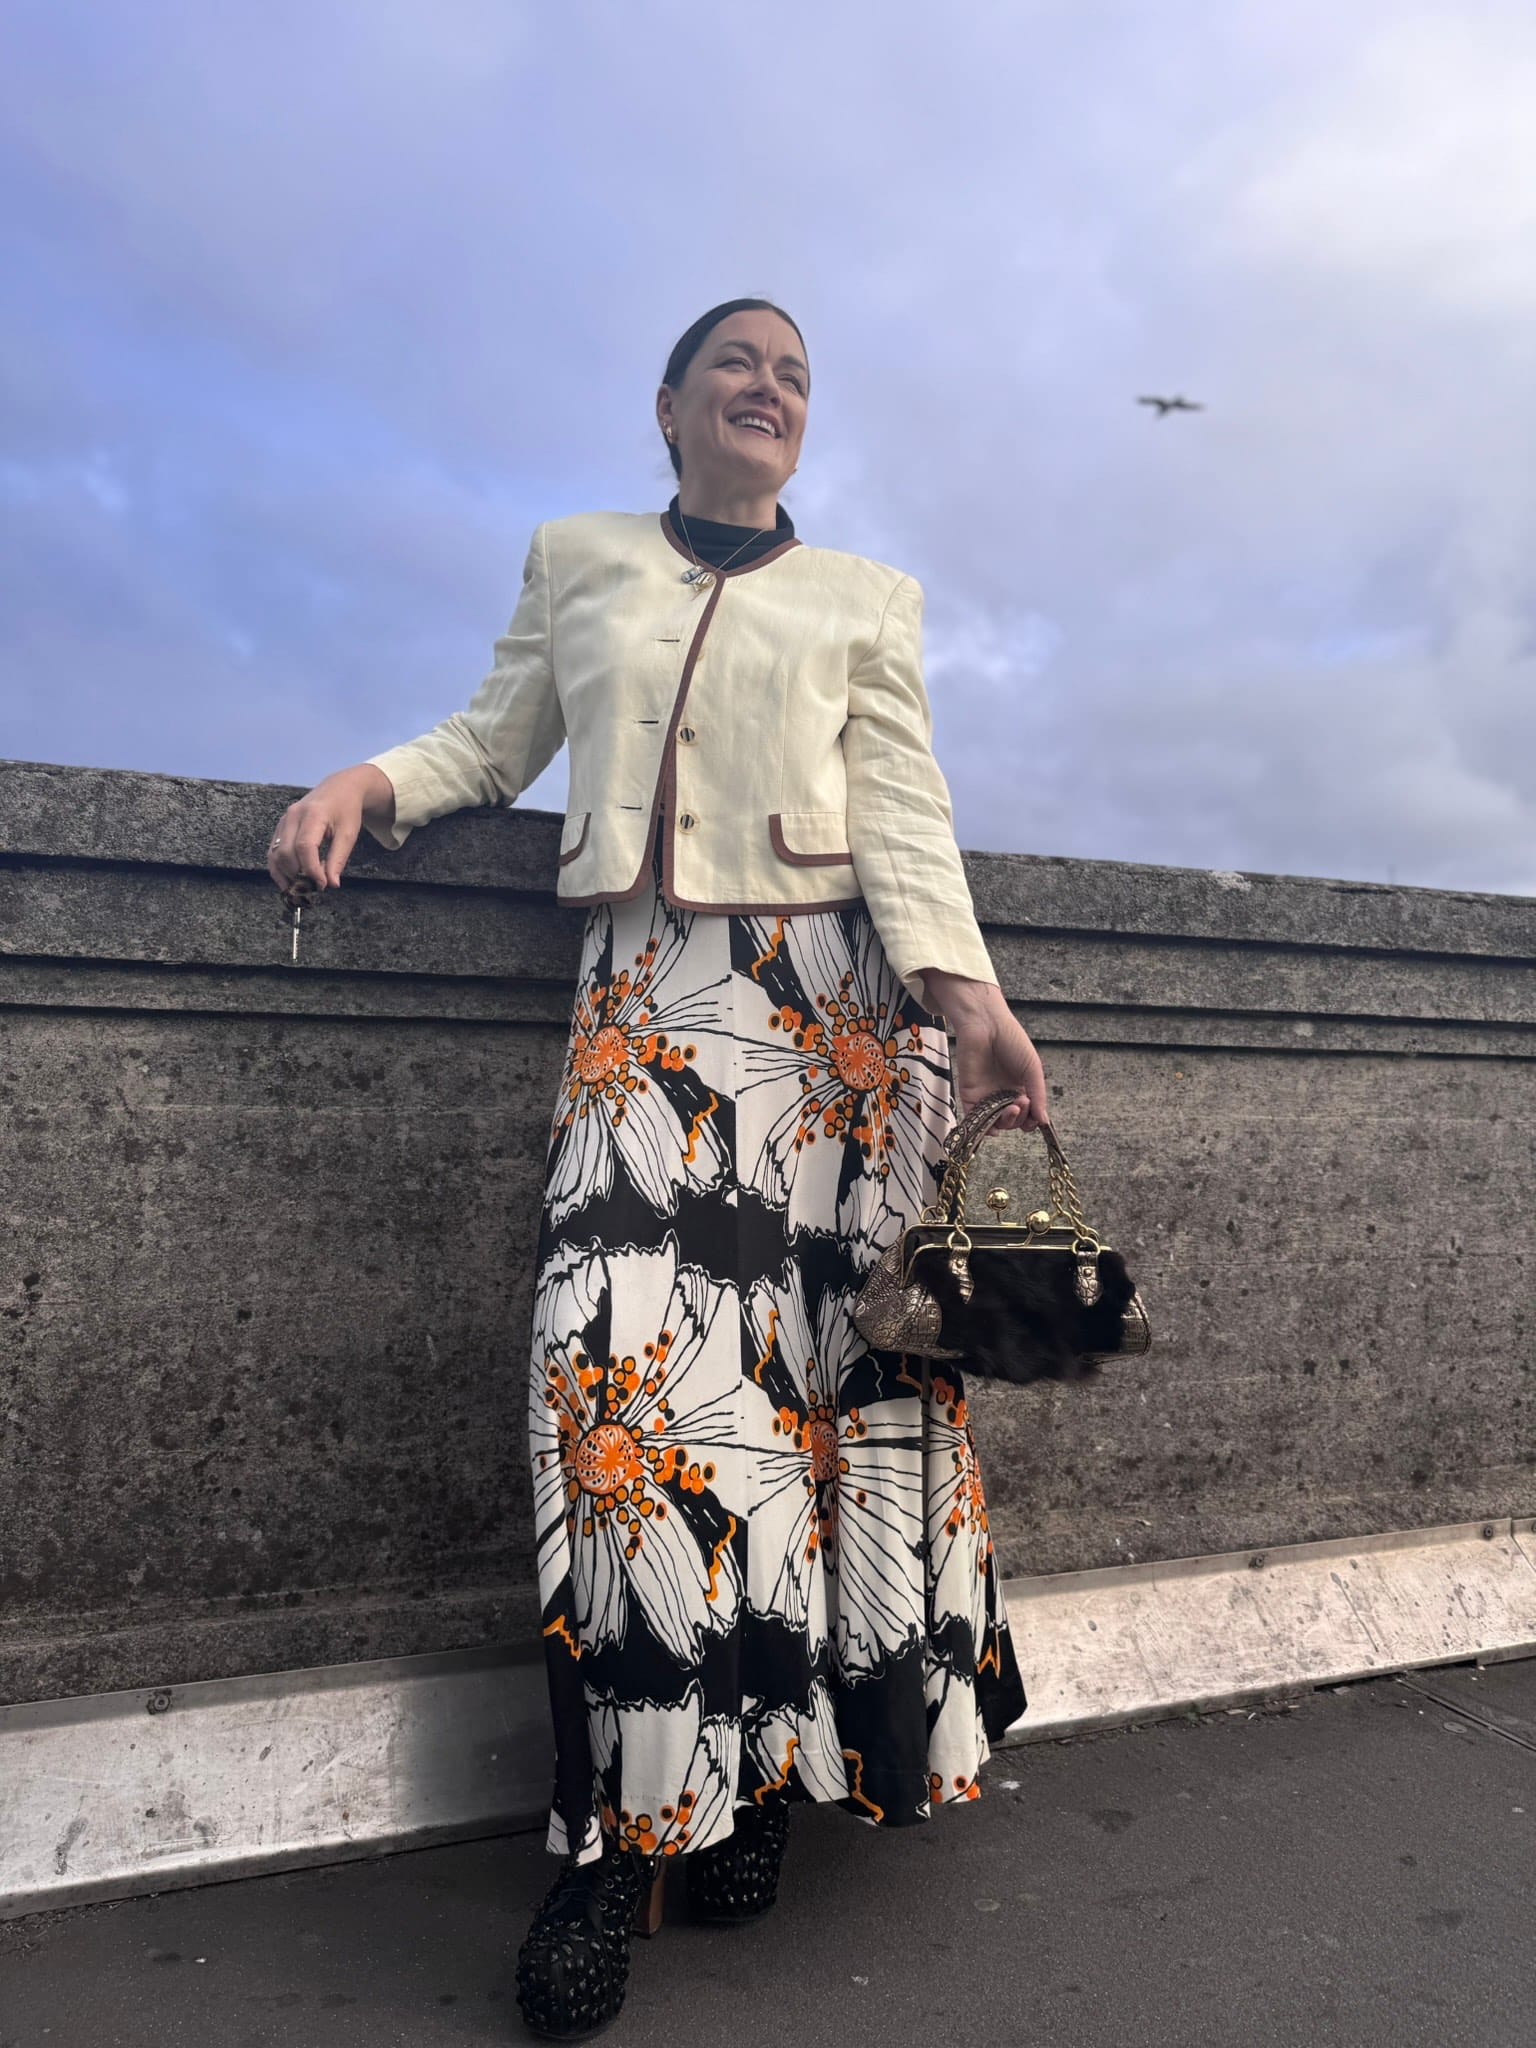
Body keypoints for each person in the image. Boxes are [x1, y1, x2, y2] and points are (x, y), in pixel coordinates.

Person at [266, 296, 1049, 2041]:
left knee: (800, 1424)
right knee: (612, 1400)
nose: (770, 388)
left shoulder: (866, 600)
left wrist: (970, 999)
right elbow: (497, 739)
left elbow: (903, 810)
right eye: (737, 366)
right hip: (643, 1020)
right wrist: (369, 783)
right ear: (671, 405)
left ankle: (761, 1780)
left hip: (831, 1037)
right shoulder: (582, 560)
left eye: (795, 376)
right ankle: (614, 1843)